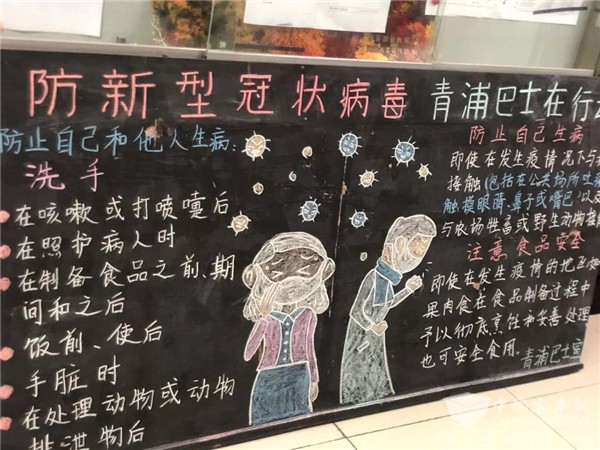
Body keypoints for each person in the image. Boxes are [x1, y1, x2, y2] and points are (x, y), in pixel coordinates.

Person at [340, 215, 436, 405]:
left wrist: (408, 290)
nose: (417, 258)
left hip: (374, 336)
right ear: (400, 244)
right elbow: (357, 310)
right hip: (361, 336)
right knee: (359, 377)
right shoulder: (374, 277)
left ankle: (375, 400)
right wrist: (371, 326)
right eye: (417, 249)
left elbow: (387, 304)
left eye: (421, 251)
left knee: (375, 374)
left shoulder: (387, 280)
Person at [242, 232, 335, 425]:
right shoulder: (269, 319)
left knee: (298, 420)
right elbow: (248, 353)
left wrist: (314, 380)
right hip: (268, 376)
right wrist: (263, 318)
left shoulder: (307, 315)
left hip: (299, 375)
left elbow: (309, 350)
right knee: (262, 423)